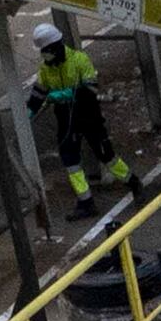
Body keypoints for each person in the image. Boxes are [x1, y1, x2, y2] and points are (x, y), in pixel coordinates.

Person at [28, 17, 130, 211]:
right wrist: (29, 111)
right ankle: (85, 201)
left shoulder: (79, 60)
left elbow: (91, 89)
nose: (44, 55)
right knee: (70, 159)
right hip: (66, 119)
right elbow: (38, 93)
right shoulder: (46, 69)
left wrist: (66, 94)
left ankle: (132, 181)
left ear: (55, 47)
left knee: (106, 155)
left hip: (88, 114)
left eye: (46, 51)